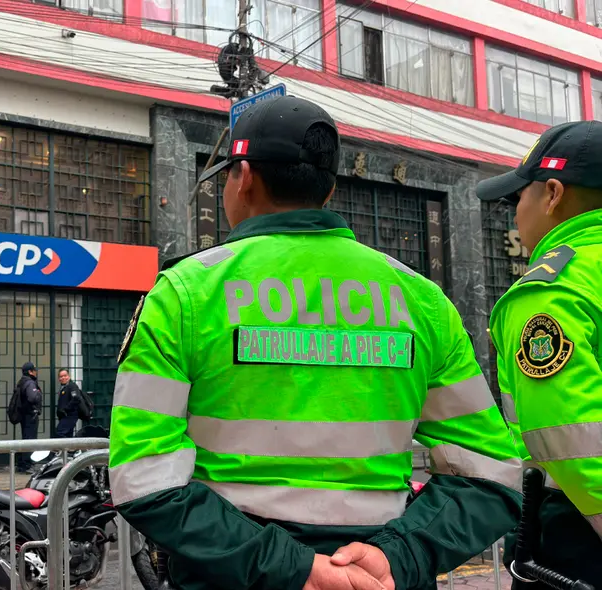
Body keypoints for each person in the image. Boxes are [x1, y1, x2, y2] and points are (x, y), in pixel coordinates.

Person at [108, 95, 523, 590]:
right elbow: (490, 474)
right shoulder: (421, 299)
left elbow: (143, 478)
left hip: (233, 576)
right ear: (328, 191)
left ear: (243, 177)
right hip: (377, 577)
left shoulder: (185, 293)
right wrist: (398, 556)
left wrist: (293, 567)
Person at [478, 120, 602, 586]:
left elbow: (571, 440)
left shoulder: (552, 291)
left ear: (552, 194)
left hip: (576, 537)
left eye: (518, 197)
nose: (514, 214)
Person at [15, 362, 42, 472]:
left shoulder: (22, 382)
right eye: (34, 370)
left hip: (24, 415)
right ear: (30, 371)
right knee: (30, 440)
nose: (36, 372)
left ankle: (21, 463)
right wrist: (38, 394)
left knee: (26, 438)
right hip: (30, 415)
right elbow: (32, 398)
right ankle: (26, 465)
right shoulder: (30, 383)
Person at [56, 369, 82, 438]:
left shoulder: (72, 386)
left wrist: (66, 409)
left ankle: (66, 448)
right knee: (68, 435)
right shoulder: (64, 387)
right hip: (66, 416)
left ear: (69, 376)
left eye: (65, 375)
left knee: (60, 433)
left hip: (70, 415)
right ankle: (69, 448)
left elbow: (76, 398)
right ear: (59, 378)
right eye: (61, 376)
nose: (63, 378)